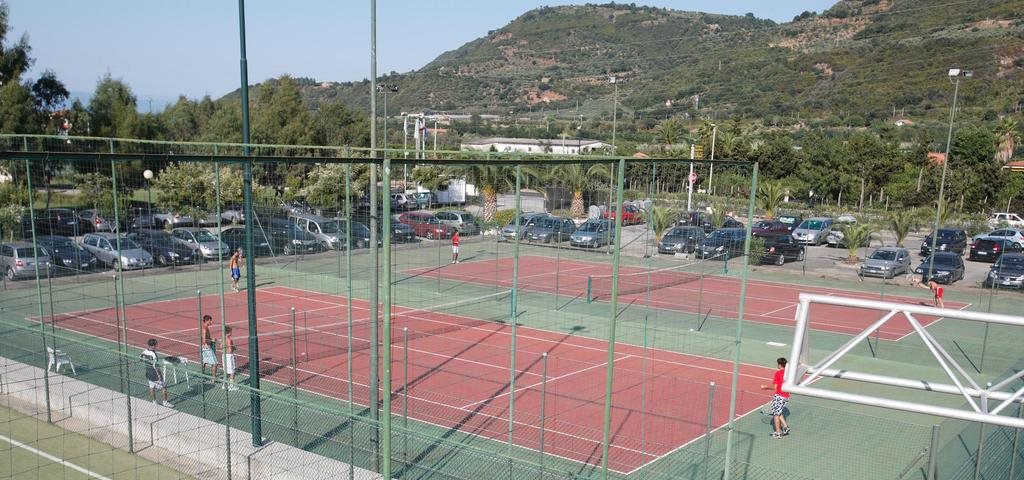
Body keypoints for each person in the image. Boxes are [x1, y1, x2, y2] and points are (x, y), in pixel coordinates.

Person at [760, 357, 790, 439]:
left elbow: (775, 387)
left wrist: (766, 387)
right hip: (786, 396)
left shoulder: (778, 373)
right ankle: (786, 427)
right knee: (779, 411)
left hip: (779, 396)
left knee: (776, 414)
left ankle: (778, 433)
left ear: (779, 364)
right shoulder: (789, 373)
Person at [140, 338, 173, 407]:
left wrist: (147, 363)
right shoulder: (154, 354)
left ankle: (154, 402)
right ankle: (165, 402)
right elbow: (156, 366)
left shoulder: (144, 351)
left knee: (152, 387)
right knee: (164, 387)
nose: (156, 346)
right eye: (155, 345)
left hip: (148, 373)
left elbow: (140, 357)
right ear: (153, 346)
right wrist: (159, 375)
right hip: (155, 374)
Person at [200, 315, 219, 382]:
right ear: (207, 320)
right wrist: (211, 340)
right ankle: (213, 379)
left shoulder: (205, 328)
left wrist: (211, 339)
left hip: (205, 347)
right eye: (210, 320)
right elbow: (204, 340)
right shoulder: (204, 329)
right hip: (207, 347)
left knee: (204, 362)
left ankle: (202, 376)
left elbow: (206, 338)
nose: (211, 322)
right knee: (215, 363)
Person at [222, 326, 239, 391]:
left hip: (224, 355)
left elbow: (221, 346)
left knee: (225, 371)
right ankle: (231, 386)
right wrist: (234, 348)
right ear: (229, 332)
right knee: (232, 371)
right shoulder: (229, 339)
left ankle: (224, 385)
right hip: (229, 356)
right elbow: (230, 349)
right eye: (231, 331)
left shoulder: (223, 338)